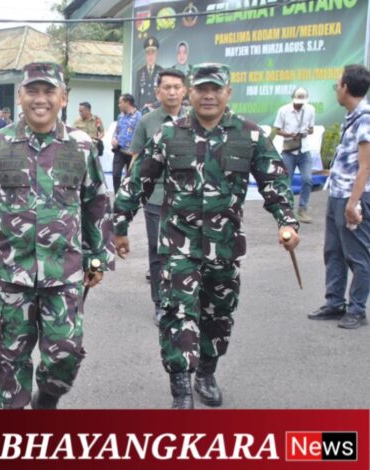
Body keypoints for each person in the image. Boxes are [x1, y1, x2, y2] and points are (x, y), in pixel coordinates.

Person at [113, 63, 300, 409]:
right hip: (178, 245)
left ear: (228, 92)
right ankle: (181, 389)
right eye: (201, 89)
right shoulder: (169, 134)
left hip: (224, 246)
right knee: (177, 313)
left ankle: (206, 373)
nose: (209, 95)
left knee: (218, 316)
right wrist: (120, 224)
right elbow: (138, 180)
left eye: (216, 89)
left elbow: (274, 180)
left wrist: (286, 221)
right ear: (191, 93)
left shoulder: (250, 135)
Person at [0, 62, 115, 410]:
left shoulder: (81, 145)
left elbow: (96, 203)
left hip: (64, 271)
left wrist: (98, 258)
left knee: (66, 354)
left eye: (48, 91)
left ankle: (48, 396)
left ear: (63, 98)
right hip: (11, 273)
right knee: (8, 359)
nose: (40, 99)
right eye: (32, 91)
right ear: (21, 96)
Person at [309, 64, 370, 330]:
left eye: (338, 84)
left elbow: (366, 166)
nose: (337, 89)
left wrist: (353, 203)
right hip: (337, 193)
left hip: (353, 196)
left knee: (358, 255)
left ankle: (357, 309)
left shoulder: (366, 117)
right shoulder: (352, 117)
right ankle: (334, 303)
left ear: (346, 87)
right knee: (333, 251)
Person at [128, 68, 188, 326]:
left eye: (176, 87)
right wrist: (130, 195)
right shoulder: (147, 121)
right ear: (158, 91)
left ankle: (184, 299)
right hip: (156, 196)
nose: (172, 92)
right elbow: (135, 159)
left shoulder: (196, 119)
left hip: (189, 197)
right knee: (158, 251)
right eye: (167, 87)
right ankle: (160, 302)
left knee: (187, 251)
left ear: (184, 91)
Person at [274, 87, 316, 223]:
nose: (300, 104)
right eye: (298, 102)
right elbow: (277, 130)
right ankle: (287, 210)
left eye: (302, 102)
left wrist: (306, 132)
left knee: (307, 179)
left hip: (304, 150)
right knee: (286, 181)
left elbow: (312, 129)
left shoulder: (310, 110)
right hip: (289, 151)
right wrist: (289, 134)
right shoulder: (283, 110)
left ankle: (302, 210)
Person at [111, 93, 141, 193]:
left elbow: (141, 134)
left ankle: (128, 196)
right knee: (116, 174)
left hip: (132, 152)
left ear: (127, 102)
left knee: (130, 176)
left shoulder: (139, 116)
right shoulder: (120, 116)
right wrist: (113, 138)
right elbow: (117, 130)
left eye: (120, 102)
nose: (118, 105)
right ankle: (117, 195)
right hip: (119, 150)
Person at [135, 36, 163, 112]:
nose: (150, 56)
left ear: (156, 54)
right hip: (142, 110)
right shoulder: (139, 72)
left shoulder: (161, 71)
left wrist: (154, 105)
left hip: (156, 110)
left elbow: (163, 94)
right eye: (148, 53)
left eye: (153, 53)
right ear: (145, 55)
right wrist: (138, 110)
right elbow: (137, 95)